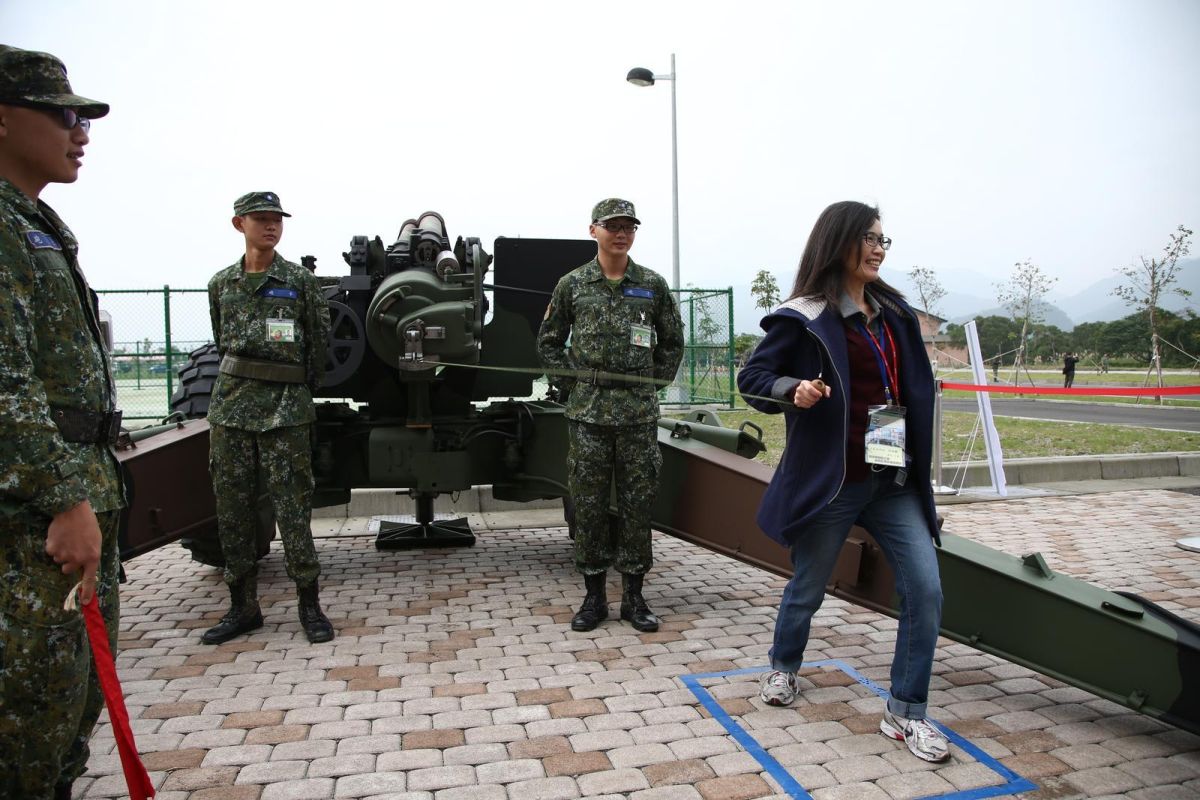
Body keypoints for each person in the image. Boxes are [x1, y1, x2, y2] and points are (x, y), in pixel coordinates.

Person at [737, 201, 949, 763]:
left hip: (893, 479)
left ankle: (906, 713)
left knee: (925, 591)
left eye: (884, 240)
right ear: (840, 242)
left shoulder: (895, 314)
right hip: (835, 483)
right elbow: (753, 377)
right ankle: (784, 668)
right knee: (807, 589)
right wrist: (792, 390)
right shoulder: (803, 314)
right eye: (869, 239)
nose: (879, 249)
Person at [0, 45, 124, 799]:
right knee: (29, 725)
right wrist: (64, 498)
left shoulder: (34, 222)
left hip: (78, 495)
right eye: (64, 114)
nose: (81, 131)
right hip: (35, 524)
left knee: (69, 711)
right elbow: (5, 384)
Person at [537, 198, 684, 633]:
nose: (622, 234)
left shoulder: (652, 285)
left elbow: (672, 343)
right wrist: (571, 385)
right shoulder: (573, 284)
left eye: (629, 227)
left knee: (638, 507)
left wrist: (650, 383)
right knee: (590, 505)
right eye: (613, 226)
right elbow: (549, 341)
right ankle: (594, 597)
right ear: (593, 230)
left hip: (638, 416)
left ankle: (635, 599)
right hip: (589, 417)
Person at [203, 191, 334, 645]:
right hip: (232, 410)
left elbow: (319, 346)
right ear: (239, 224)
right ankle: (242, 607)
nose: (271, 227)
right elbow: (224, 343)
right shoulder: (222, 283)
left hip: (285, 410)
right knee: (233, 511)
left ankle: (309, 605)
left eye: (277, 219)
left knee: (293, 509)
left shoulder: (299, 281)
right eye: (261, 219)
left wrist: (295, 389)